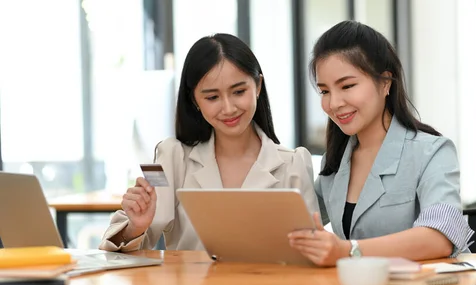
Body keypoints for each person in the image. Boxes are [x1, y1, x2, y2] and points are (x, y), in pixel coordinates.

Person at [287, 21, 476, 285]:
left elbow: (439, 237)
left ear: (385, 82)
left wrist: (347, 251)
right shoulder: (337, 164)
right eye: (324, 91)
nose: (334, 103)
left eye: (347, 86)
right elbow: (298, 218)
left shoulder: (432, 151)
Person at [99, 33, 318, 252]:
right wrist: (135, 227)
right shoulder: (170, 155)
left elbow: (312, 252)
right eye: (212, 97)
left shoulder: (294, 163)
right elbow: (118, 246)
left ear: (258, 86)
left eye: (239, 92)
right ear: (194, 99)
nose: (229, 108)